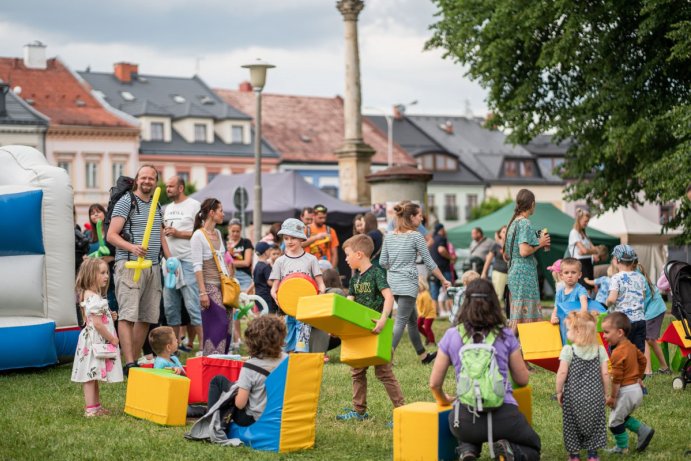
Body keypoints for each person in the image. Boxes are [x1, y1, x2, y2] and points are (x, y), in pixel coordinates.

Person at [429, 279, 541, 461]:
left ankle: (468, 450)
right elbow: (522, 379)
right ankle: (507, 450)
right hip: (504, 417)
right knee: (533, 445)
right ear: (494, 303)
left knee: (465, 428)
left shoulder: (452, 335)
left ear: (465, 303)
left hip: (464, 419)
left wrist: (444, 399)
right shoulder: (505, 335)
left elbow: (434, 383)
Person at [107, 164, 171, 374]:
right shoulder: (127, 202)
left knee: (146, 316)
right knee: (127, 315)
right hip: (129, 266)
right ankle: (129, 362)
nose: (147, 181)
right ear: (137, 179)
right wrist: (132, 247)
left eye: (151, 178)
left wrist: (171, 260)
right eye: (143, 177)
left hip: (152, 267)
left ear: (156, 182)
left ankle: (131, 362)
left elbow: (160, 235)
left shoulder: (156, 204)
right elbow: (112, 235)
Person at [337, 234, 405, 421]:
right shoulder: (354, 279)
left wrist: (383, 319)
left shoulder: (377, 273)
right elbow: (349, 306)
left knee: (384, 372)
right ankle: (359, 411)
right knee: (357, 372)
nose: (345, 258)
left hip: (377, 332)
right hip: (360, 333)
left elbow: (389, 297)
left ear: (359, 254)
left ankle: (401, 411)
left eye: (347, 254)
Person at [380, 201, 450, 364]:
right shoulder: (416, 236)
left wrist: (395, 268)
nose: (422, 219)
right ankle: (385, 356)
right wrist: (444, 279)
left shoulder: (389, 236)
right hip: (408, 283)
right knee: (401, 320)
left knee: (412, 320)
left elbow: (383, 262)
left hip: (393, 283)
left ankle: (423, 355)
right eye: (419, 216)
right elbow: (429, 262)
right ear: (411, 217)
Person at [207, 316, 288, 427]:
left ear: (252, 341)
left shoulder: (250, 367)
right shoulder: (287, 360)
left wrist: (235, 393)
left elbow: (240, 404)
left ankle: (210, 422)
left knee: (218, 381)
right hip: (281, 416)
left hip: (255, 419)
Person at [71, 258, 123, 417]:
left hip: (94, 341)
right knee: (89, 375)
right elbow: (97, 324)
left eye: (107, 272)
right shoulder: (92, 297)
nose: (106, 276)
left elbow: (98, 318)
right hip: (93, 341)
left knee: (94, 374)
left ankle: (96, 406)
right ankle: (90, 409)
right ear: (90, 275)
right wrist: (113, 339)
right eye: (102, 273)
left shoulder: (93, 295)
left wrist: (110, 316)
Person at [555, 311, 609, 461]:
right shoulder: (600, 350)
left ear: (577, 330)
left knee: (572, 426)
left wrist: (559, 391)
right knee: (595, 425)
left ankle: (574, 456)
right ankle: (592, 455)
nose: (567, 333)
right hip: (595, 398)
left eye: (568, 329)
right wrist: (606, 393)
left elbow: (561, 373)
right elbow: (605, 374)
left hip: (573, 399)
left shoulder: (568, 350)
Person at [601, 312, 655, 454]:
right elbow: (643, 360)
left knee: (614, 423)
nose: (604, 336)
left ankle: (622, 447)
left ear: (619, 332)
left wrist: (612, 397)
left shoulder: (617, 353)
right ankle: (643, 430)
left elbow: (617, 379)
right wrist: (638, 377)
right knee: (621, 416)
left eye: (606, 332)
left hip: (626, 392)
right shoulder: (631, 346)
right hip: (636, 390)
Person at [270, 218, 326, 352]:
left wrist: (318, 297)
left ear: (301, 239)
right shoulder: (280, 262)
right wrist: (276, 297)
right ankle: (287, 370)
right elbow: (274, 288)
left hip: (304, 312)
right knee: (285, 347)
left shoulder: (311, 260)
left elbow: (321, 285)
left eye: (293, 238)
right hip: (285, 310)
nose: (289, 241)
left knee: (301, 347)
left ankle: (300, 367)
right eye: (286, 238)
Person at [162, 176, 202, 352]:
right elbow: (163, 235)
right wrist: (169, 258)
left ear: (181, 187)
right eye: (166, 186)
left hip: (188, 261)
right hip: (170, 263)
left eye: (171, 186)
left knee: (193, 306)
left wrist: (178, 233)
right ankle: (174, 347)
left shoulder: (194, 205)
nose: (167, 189)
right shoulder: (167, 208)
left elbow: (200, 233)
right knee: (170, 307)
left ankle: (204, 347)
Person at [190, 198, 233, 355]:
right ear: (211, 213)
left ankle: (224, 361)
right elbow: (197, 266)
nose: (223, 214)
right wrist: (202, 292)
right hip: (209, 285)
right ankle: (212, 360)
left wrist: (230, 282)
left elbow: (222, 260)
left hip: (223, 285)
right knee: (219, 322)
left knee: (228, 324)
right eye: (220, 210)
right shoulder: (198, 236)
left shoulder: (218, 234)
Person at [504, 189, 551, 330]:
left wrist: (536, 241)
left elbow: (507, 254)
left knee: (517, 314)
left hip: (514, 271)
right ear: (532, 204)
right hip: (524, 273)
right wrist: (541, 243)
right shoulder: (525, 223)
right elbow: (524, 251)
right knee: (523, 316)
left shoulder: (513, 223)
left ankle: (512, 347)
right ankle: (513, 347)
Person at [606, 245, 647, 353]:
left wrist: (607, 302)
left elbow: (612, 299)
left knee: (619, 351)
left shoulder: (616, 278)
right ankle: (637, 369)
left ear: (617, 260)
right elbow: (643, 296)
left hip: (623, 322)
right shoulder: (640, 277)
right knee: (638, 351)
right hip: (640, 320)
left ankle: (621, 369)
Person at [225, 218, 254, 351]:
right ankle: (237, 339)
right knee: (234, 309)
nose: (235, 233)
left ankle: (252, 336)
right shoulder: (225, 244)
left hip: (245, 277)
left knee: (248, 308)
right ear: (228, 230)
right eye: (233, 231)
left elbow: (247, 262)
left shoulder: (246, 242)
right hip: (232, 276)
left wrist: (231, 260)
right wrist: (229, 257)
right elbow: (224, 263)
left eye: (238, 231)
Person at [85, 203, 118, 318]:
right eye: (92, 213)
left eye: (98, 211)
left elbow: (118, 251)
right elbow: (86, 253)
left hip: (111, 274)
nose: (95, 215)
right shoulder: (88, 235)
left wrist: (111, 258)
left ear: (104, 213)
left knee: (111, 303)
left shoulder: (111, 232)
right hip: (94, 276)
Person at [637, 263, 671, 376]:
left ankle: (648, 371)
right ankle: (664, 368)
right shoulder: (640, 276)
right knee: (650, 340)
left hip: (654, 310)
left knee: (646, 339)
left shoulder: (637, 277)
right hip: (656, 309)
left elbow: (641, 298)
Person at [550, 258, 589, 343]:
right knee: (565, 345)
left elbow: (584, 303)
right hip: (564, 326)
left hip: (577, 326)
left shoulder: (580, 290)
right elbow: (556, 307)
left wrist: (582, 316)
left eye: (573, 272)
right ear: (561, 275)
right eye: (566, 273)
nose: (570, 275)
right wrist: (553, 316)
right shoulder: (560, 293)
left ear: (579, 275)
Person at [568, 208, 601, 288]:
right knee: (584, 289)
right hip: (580, 263)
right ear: (579, 220)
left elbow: (595, 250)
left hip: (588, 262)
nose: (587, 224)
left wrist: (590, 251)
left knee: (590, 288)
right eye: (585, 221)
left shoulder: (584, 234)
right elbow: (585, 250)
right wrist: (592, 251)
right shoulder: (574, 233)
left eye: (588, 221)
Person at [429, 223, 453, 318]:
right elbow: (441, 250)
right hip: (444, 268)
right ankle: (451, 312)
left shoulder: (432, 239)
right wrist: (450, 257)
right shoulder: (442, 239)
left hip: (433, 269)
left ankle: (434, 313)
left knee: (434, 293)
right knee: (449, 290)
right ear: (441, 229)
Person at [481, 225, 508, 307]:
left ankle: (507, 316)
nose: (506, 233)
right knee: (498, 296)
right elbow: (488, 260)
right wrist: (484, 273)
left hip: (511, 273)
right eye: (503, 232)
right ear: (500, 234)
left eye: (507, 231)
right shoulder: (496, 246)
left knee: (508, 296)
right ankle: (497, 315)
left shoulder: (512, 245)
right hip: (499, 272)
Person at [252, 242, 278, 315]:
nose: (270, 252)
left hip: (258, 295)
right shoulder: (266, 266)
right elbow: (269, 282)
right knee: (270, 317)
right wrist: (278, 284)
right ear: (265, 252)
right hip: (266, 296)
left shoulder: (257, 265)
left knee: (263, 317)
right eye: (269, 250)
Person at [416, 276, 436, 346]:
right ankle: (427, 336)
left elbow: (427, 307)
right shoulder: (419, 294)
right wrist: (420, 313)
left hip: (429, 314)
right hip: (422, 314)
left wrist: (423, 314)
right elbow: (418, 306)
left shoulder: (425, 294)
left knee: (427, 327)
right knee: (418, 326)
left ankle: (432, 341)